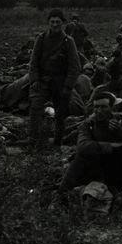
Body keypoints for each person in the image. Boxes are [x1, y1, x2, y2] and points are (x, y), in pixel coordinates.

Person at [61, 91, 122, 214]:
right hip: (97, 166)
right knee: (80, 156)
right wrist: (112, 146)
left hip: (118, 166)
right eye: (96, 107)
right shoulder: (88, 124)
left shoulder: (120, 119)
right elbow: (82, 146)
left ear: (111, 108)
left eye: (103, 107)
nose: (99, 110)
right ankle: (62, 193)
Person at [27, 9, 81, 147]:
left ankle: (58, 142)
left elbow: (74, 66)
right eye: (52, 22)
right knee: (35, 108)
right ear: (48, 22)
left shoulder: (68, 41)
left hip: (61, 82)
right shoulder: (41, 38)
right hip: (43, 80)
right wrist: (34, 80)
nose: (55, 25)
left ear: (62, 23)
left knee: (60, 113)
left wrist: (68, 86)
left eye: (58, 22)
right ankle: (33, 140)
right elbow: (33, 62)